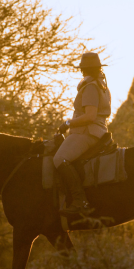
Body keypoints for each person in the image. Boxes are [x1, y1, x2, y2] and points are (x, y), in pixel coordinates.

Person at [53, 52, 112, 217]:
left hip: (88, 131)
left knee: (59, 159)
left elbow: (90, 116)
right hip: (96, 131)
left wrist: (67, 123)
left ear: (83, 70)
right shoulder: (100, 84)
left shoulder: (91, 86)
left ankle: (80, 201)